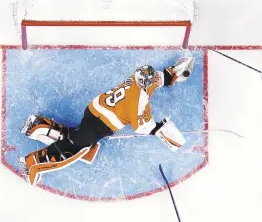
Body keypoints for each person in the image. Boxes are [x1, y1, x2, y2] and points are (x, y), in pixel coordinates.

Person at [19, 57, 195, 185]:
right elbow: (142, 126)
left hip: (94, 110)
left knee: (76, 135)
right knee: (74, 146)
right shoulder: (139, 99)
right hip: (100, 125)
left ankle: (39, 124)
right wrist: (158, 128)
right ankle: (32, 162)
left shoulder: (138, 78)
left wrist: (175, 72)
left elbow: (160, 77)